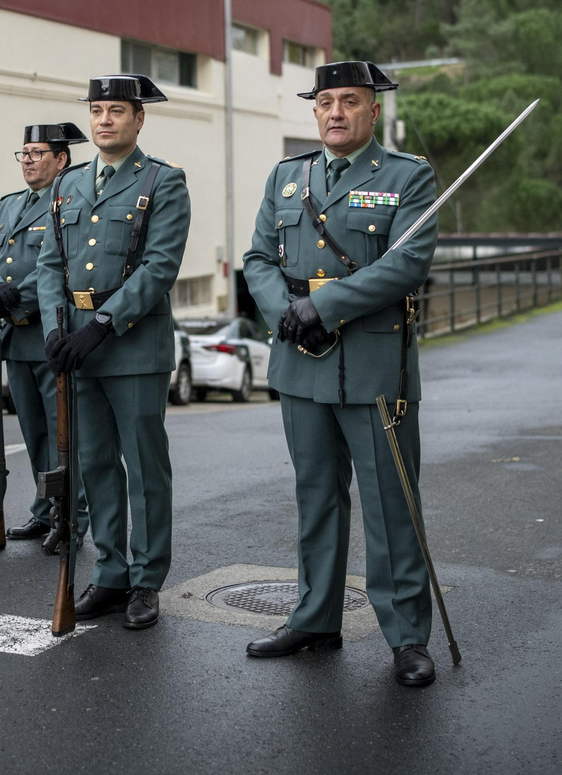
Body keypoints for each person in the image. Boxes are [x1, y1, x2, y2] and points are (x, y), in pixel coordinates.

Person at [240, 61, 442, 686]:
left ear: (372, 110)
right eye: (325, 101)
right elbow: (256, 258)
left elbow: (406, 265)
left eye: (349, 101)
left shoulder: (407, 177)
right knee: (316, 497)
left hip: (375, 366)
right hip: (302, 362)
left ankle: (407, 636)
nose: (334, 112)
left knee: (390, 505)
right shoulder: (286, 175)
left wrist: (322, 306)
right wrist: (285, 314)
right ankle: (315, 618)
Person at [36, 75, 189, 630]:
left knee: (145, 466)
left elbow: (159, 267)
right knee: (94, 462)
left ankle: (147, 580)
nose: (104, 120)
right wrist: (56, 328)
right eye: (97, 110)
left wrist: (102, 323)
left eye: (116, 111)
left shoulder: (163, 182)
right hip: (76, 344)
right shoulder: (67, 185)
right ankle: (112, 570)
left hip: (132, 344)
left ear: (138, 119)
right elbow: (49, 263)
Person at [0, 122, 90, 543]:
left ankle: (71, 513)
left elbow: (63, 268)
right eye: (24, 153)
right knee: (34, 432)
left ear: (61, 159)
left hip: (50, 332)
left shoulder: (72, 200)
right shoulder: (8, 206)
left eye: (38, 153)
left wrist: (12, 295)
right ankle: (44, 508)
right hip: (15, 339)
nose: (28, 161)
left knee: (64, 433)